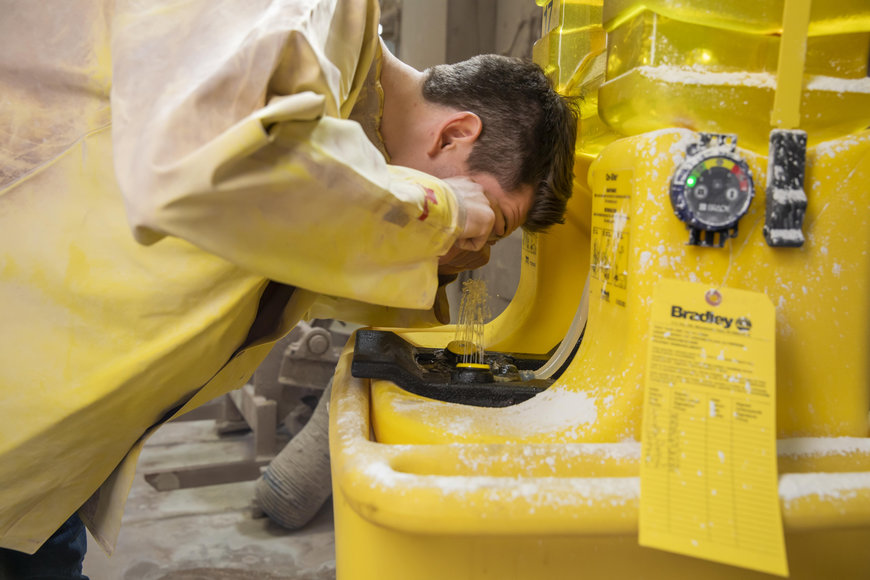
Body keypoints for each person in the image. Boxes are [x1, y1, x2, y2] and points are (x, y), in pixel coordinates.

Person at [0, 0, 577, 577]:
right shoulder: (319, 13)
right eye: (492, 219)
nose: (477, 251)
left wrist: (441, 251)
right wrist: (447, 211)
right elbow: (203, 159)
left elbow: (341, 259)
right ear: (455, 134)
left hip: (44, 477)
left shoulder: (336, 151)